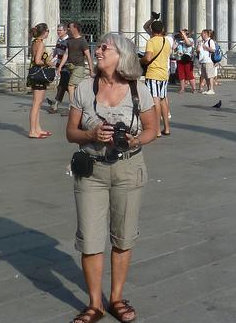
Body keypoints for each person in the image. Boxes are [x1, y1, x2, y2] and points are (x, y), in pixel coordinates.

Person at [66, 33, 156, 323]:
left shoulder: (138, 90)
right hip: (91, 171)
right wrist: (91, 134)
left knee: (123, 237)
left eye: (105, 47)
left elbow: (152, 129)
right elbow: (71, 133)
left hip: (128, 169)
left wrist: (134, 140)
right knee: (90, 240)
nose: (99, 50)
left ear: (122, 56)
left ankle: (116, 298)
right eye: (100, 46)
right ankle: (95, 304)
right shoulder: (84, 87)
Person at [140, 21, 171, 137]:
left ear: (152, 30)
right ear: (162, 30)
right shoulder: (166, 41)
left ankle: (157, 130)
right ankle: (167, 128)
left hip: (153, 73)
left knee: (155, 100)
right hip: (164, 73)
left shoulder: (151, 41)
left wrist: (140, 60)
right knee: (163, 100)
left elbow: (148, 58)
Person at [56, 23, 93, 112]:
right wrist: (60, 66)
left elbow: (88, 56)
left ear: (75, 29)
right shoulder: (69, 40)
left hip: (79, 66)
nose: (68, 29)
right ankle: (80, 105)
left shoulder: (82, 41)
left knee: (71, 86)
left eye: (70, 27)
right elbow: (66, 54)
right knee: (75, 88)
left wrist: (91, 69)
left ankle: (72, 108)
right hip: (70, 66)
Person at [26, 23, 53, 139]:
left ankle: (37, 128)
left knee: (38, 102)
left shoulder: (35, 42)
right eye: (48, 31)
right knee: (36, 103)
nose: (48, 33)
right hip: (38, 73)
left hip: (35, 73)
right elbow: (37, 61)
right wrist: (48, 63)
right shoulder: (40, 43)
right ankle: (32, 131)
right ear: (44, 32)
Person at [47, 25, 70, 114]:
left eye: (60, 30)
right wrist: (48, 60)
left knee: (63, 86)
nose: (58, 32)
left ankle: (57, 106)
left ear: (65, 31)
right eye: (57, 30)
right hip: (60, 66)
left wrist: (60, 66)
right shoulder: (59, 40)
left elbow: (67, 55)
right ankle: (59, 105)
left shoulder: (68, 41)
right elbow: (55, 52)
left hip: (66, 67)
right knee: (65, 86)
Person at [175, 29, 197, 93]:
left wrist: (184, 36)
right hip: (180, 58)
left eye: (183, 34)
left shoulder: (190, 39)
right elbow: (173, 47)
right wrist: (175, 41)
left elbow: (188, 44)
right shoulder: (178, 41)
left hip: (188, 59)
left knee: (189, 74)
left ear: (186, 34)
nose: (181, 35)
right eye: (181, 34)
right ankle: (182, 88)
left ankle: (194, 88)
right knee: (181, 74)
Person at [197, 29, 218, 95]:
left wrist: (206, 47)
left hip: (209, 61)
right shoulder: (203, 42)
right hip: (203, 60)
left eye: (202, 33)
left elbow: (213, 50)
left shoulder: (210, 41)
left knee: (210, 76)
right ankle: (208, 89)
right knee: (205, 76)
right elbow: (199, 51)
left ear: (206, 34)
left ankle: (212, 89)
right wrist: (198, 47)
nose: (201, 35)